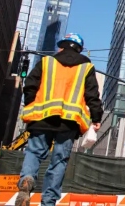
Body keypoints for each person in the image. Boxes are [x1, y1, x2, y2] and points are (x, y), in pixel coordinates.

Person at [16, 33, 103, 206]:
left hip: (42, 117)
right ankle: (48, 201)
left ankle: (27, 179)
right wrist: (96, 118)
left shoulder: (47, 62)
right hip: (69, 123)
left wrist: (31, 103)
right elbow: (92, 95)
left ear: (61, 46)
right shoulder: (86, 67)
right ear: (79, 49)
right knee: (59, 162)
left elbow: (30, 85)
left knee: (34, 152)